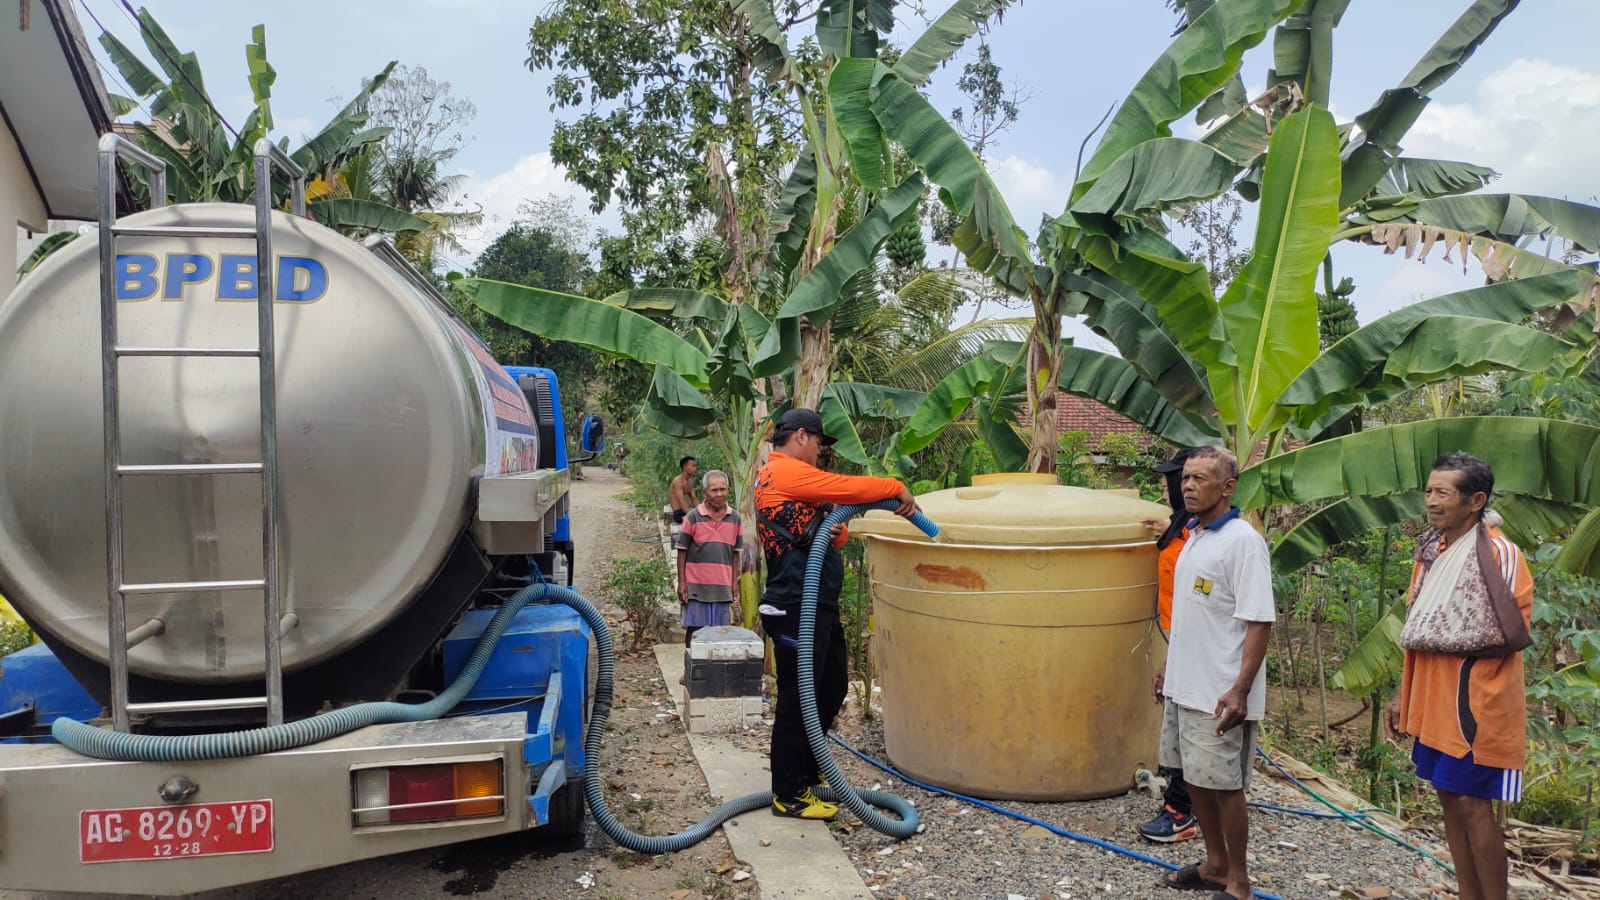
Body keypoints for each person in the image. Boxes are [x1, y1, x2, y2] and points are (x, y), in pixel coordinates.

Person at [755, 408, 918, 820]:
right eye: (819, 446)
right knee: (798, 698)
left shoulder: (792, 481)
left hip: (817, 606)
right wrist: (895, 487)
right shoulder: (781, 470)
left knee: (831, 688)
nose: (819, 456)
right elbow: (845, 488)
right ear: (803, 437)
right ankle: (788, 793)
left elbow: (835, 534)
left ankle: (808, 778)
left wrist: (831, 524)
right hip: (795, 604)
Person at [1384, 453, 1533, 900]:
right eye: (1428, 490)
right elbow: (1418, 629)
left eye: (1442, 492)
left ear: (1476, 500)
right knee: (1448, 796)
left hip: (1476, 704)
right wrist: (1400, 694)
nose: (1430, 500)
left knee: (1472, 803)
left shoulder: (1500, 554)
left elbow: (1505, 632)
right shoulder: (1432, 551)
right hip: (1434, 699)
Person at [1152, 446, 1274, 899]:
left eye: (1200, 479)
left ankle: (1239, 880)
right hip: (1187, 686)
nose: (1188, 486)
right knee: (1194, 779)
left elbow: (1259, 621)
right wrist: (1170, 667)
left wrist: (1240, 689)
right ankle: (1214, 864)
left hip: (1220, 691)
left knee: (1224, 787)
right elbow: (1192, 616)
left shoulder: (1243, 541)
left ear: (1227, 487)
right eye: (1186, 478)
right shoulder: (1195, 535)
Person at [1138, 447, 1198, 844]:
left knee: (1188, 731)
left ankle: (1182, 812)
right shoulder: (1184, 524)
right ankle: (1188, 805)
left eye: (1171, 480)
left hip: (1196, 642)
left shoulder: (1204, 533)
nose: (1169, 486)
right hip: (1179, 637)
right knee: (1175, 726)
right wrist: (1165, 524)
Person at [675, 469, 742, 649]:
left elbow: (735, 552)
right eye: (714, 490)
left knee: (720, 631)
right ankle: (691, 670)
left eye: (723, 489)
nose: (720, 494)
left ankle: (714, 673)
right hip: (697, 585)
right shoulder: (693, 517)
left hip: (722, 585)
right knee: (695, 629)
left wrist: (734, 582)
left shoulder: (735, 518)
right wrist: (682, 582)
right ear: (705, 493)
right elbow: (682, 550)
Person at [669, 456, 698, 525]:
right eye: (693, 466)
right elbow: (681, 500)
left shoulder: (690, 481)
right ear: (685, 467)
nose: (695, 468)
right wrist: (691, 516)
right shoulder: (678, 481)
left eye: (695, 466)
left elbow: (694, 498)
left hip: (686, 511)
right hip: (679, 513)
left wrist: (700, 511)